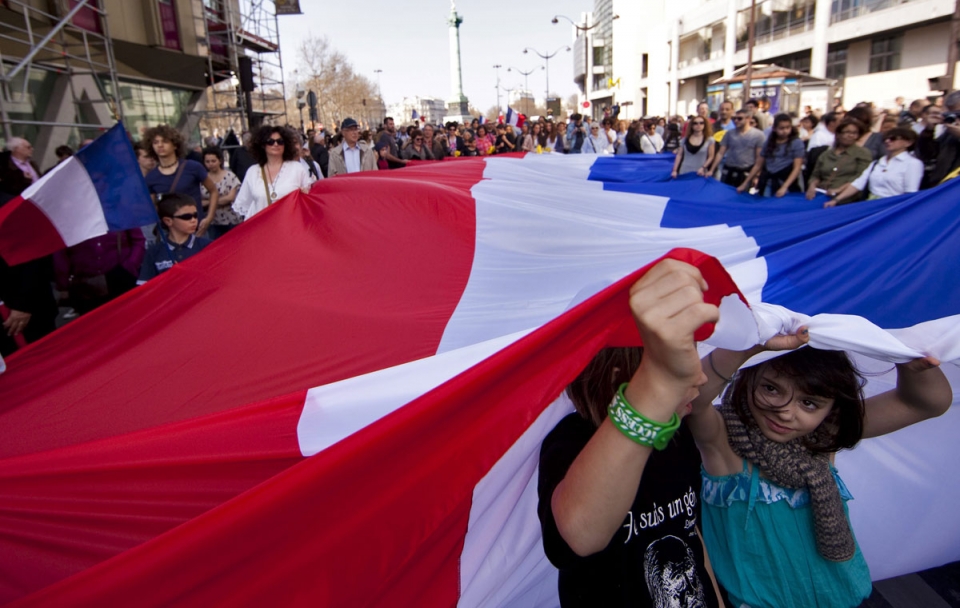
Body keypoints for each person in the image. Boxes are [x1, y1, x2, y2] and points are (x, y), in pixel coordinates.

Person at [689, 333, 950, 608]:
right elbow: (693, 398)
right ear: (747, 379)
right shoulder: (721, 438)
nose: (785, 412)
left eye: (809, 403)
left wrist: (903, 353)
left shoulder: (825, 437)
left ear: (832, 409)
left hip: (847, 601)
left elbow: (927, 402)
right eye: (771, 389)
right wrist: (751, 345)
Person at [537, 259, 723, 607]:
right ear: (618, 375)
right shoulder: (571, 442)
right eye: (678, 369)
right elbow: (580, 535)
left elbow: (692, 535)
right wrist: (660, 385)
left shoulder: (677, 437)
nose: (697, 378)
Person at [143, 124, 219, 237]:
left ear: (175, 145)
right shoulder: (151, 177)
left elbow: (213, 191)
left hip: (195, 228)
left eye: (165, 141)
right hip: (169, 232)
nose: (160, 145)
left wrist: (209, 217)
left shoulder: (193, 167)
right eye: (155, 142)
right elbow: (152, 207)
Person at [53, 228, 145, 315]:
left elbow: (138, 240)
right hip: (86, 286)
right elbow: (60, 254)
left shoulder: (120, 212)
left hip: (120, 279)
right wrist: (63, 285)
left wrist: (129, 266)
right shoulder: (69, 219)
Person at [825, 127, 922, 206]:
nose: (888, 141)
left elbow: (910, 192)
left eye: (893, 139)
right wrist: (836, 200)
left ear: (908, 143)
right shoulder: (878, 162)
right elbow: (858, 184)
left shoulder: (912, 164)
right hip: (870, 205)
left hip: (892, 207)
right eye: (886, 139)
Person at [232, 126, 312, 219]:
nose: (276, 144)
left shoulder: (297, 168)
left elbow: (308, 200)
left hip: (290, 227)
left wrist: (305, 193)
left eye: (280, 141)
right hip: (262, 228)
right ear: (262, 145)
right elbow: (245, 205)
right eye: (270, 141)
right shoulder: (253, 172)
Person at [138, 193, 212, 284]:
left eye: (195, 215)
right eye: (186, 217)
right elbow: (144, 287)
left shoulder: (208, 246)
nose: (193, 220)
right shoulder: (154, 252)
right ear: (168, 221)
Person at [805, 118, 873, 200]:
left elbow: (859, 179)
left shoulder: (862, 153)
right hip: (821, 193)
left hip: (846, 198)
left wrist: (839, 190)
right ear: (838, 134)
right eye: (847, 132)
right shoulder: (826, 154)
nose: (851, 135)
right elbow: (815, 175)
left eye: (854, 133)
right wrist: (812, 186)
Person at [738, 113, 805, 197]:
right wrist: (745, 183)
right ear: (774, 128)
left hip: (786, 182)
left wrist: (784, 187)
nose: (785, 131)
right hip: (768, 180)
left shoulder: (796, 143)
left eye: (788, 128)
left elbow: (797, 168)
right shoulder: (769, 143)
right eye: (781, 128)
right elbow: (758, 165)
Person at [709, 109, 766, 188]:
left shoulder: (758, 135)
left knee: (742, 198)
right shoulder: (729, 133)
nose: (736, 121)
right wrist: (711, 170)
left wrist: (756, 176)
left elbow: (759, 160)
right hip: (729, 170)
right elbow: (720, 153)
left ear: (748, 119)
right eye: (734, 118)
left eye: (739, 118)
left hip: (746, 172)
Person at [200, 146, 242, 239]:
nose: (210, 164)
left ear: (220, 160)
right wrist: (220, 200)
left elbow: (230, 198)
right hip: (212, 221)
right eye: (207, 161)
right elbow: (200, 202)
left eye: (213, 161)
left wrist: (209, 202)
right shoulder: (203, 178)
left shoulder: (230, 176)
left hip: (231, 220)